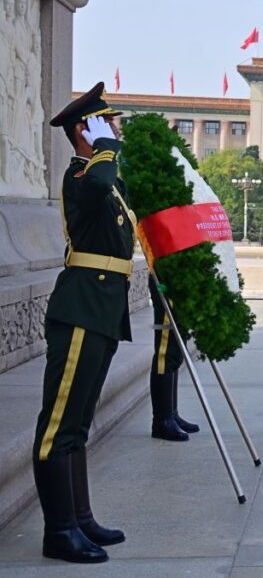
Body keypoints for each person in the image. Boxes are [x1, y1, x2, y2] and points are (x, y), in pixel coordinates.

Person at [33, 83, 134, 563]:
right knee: (59, 424)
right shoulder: (82, 176)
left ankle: (81, 518)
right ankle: (59, 532)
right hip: (80, 308)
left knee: (79, 421)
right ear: (85, 129)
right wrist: (104, 148)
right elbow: (97, 182)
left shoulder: (105, 180)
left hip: (102, 307)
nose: (115, 130)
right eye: (106, 123)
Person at [148, 278, 200, 441]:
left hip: (178, 279)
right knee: (166, 352)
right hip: (165, 281)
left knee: (176, 351)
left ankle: (171, 413)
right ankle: (162, 420)